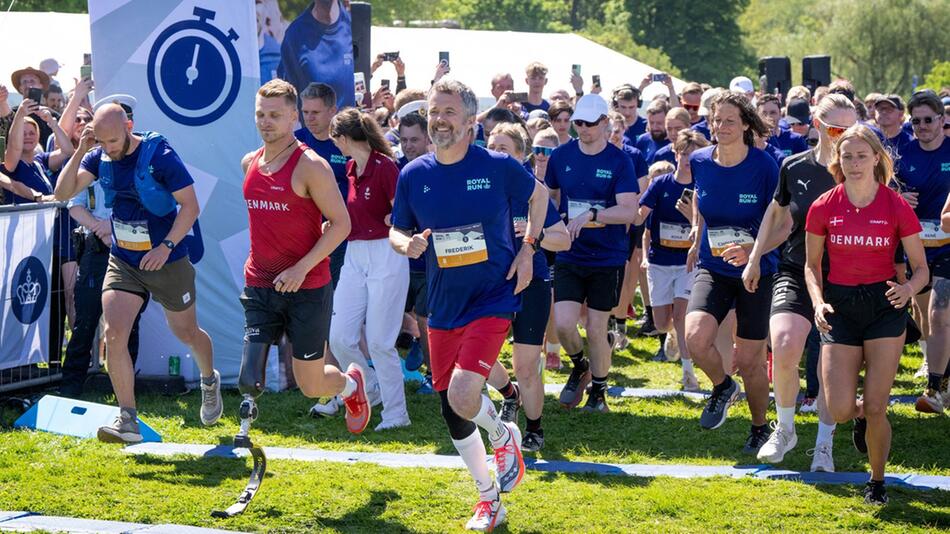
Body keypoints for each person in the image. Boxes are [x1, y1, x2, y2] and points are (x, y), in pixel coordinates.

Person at [390, 79, 548, 531]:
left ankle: (502, 437)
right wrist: (407, 245)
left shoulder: (497, 166)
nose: (438, 120)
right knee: (451, 409)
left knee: (464, 394)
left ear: (470, 122)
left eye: (448, 112)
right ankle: (489, 499)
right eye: (434, 111)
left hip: (493, 296)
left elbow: (539, 196)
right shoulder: (413, 174)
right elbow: (397, 229)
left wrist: (528, 248)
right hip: (442, 304)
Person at [53, 103, 222, 444]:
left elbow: (190, 206)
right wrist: (82, 151)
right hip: (124, 260)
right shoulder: (98, 155)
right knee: (114, 333)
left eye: (114, 141)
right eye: (102, 142)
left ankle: (209, 379)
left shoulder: (159, 154)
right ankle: (127, 419)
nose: (109, 149)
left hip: (166, 259)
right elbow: (62, 193)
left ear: (129, 126)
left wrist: (167, 248)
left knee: (187, 332)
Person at [804, 124, 928, 506]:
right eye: (847, 156)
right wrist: (817, 301)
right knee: (839, 409)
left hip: (883, 305)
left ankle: (876, 481)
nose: (854, 163)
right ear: (837, 160)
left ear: (877, 158)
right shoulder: (824, 205)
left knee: (878, 406)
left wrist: (908, 289)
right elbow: (811, 266)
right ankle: (858, 417)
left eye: (862, 155)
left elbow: (921, 268)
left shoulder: (895, 205)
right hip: (838, 306)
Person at [238, 79, 369, 439]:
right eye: (261, 115)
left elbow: (341, 225)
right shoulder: (249, 162)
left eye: (275, 116)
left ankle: (350, 386)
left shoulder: (311, 165)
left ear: (294, 117)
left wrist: (300, 268)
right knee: (249, 377)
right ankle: (244, 433)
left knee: (311, 384)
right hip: (261, 281)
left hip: (307, 285)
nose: (266, 122)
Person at [743, 94, 858, 471]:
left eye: (851, 128)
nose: (845, 137)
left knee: (830, 366)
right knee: (785, 344)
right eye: (837, 128)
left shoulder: (861, 168)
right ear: (818, 125)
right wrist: (755, 257)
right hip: (796, 269)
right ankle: (786, 428)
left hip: (846, 277)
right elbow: (775, 215)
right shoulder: (793, 166)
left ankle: (823, 444)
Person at [685, 91, 778, 454]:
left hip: (756, 271)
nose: (721, 127)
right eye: (716, 120)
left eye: (729, 120)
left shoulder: (765, 165)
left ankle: (759, 427)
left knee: (752, 360)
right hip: (714, 266)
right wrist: (697, 231)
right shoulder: (700, 160)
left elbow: (782, 221)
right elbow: (700, 196)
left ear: (745, 125)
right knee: (695, 337)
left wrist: (754, 252)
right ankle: (723, 386)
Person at [545, 94, 640, 413]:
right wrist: (551, 222)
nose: (582, 129)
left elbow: (629, 211)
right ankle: (579, 366)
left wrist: (594, 216)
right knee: (563, 324)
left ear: (604, 123)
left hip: (607, 257)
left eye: (588, 124)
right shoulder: (561, 156)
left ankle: (598, 392)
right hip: (571, 254)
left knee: (597, 329)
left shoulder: (619, 160)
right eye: (577, 124)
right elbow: (552, 194)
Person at [484, 122, 570, 452]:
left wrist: (533, 234)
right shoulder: (479, 190)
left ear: (521, 156)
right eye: (491, 147)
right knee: (477, 355)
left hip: (531, 283)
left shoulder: (534, 192)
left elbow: (563, 240)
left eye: (503, 149)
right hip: (491, 284)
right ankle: (509, 393)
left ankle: (534, 428)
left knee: (525, 365)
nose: (496, 155)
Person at [326, 107, 411, 430]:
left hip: (386, 253)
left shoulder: (386, 167)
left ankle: (396, 414)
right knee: (340, 337)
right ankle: (370, 386)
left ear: (344, 138)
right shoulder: (350, 167)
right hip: (355, 252)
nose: (336, 145)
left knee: (379, 340)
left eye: (336, 140)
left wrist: (397, 219)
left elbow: (402, 213)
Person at [60, 104, 145, 398]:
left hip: (130, 247)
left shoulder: (142, 157)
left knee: (128, 322)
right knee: (85, 319)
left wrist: (113, 226)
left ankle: (125, 388)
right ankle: (70, 386)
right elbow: (73, 203)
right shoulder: (92, 160)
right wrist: (100, 227)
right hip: (96, 248)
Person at [638, 130, 711, 391]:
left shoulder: (705, 186)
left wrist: (692, 217)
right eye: (684, 153)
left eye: (694, 155)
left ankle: (688, 374)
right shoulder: (662, 184)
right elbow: (640, 215)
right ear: (675, 153)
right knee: (662, 322)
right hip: (659, 260)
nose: (689, 159)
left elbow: (711, 223)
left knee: (681, 315)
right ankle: (670, 333)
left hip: (688, 260)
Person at [3, 98, 75, 361]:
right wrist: (20, 114)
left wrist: (51, 122)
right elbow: (12, 150)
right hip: (28, 243)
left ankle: (55, 357)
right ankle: (23, 359)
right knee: (29, 300)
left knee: (55, 300)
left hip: (52, 241)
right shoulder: (13, 165)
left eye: (32, 133)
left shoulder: (42, 161)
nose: (29, 136)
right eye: (23, 132)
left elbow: (66, 150)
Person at [894, 90, 950, 414]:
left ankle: (935, 388)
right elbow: (884, 188)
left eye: (928, 120)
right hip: (915, 246)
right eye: (916, 121)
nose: (922, 126)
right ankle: (942, 378)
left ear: (942, 120)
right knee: (928, 320)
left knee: (939, 314)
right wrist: (898, 194)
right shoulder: (902, 151)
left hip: (946, 243)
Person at [294, 83, 349, 286]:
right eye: (305, 111)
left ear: (332, 111)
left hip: (338, 237)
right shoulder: (293, 143)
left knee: (334, 298)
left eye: (315, 112)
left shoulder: (347, 144)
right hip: (302, 236)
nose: (309, 118)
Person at [278, 0, 355, 109]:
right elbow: (287, 103)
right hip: (311, 125)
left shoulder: (354, 25)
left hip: (352, 125)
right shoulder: (294, 35)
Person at [757, 94, 808, 158]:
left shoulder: (796, 140)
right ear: (757, 115)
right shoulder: (753, 141)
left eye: (773, 112)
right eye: (764, 113)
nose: (768, 117)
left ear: (780, 114)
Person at [636, 99, 671, 164]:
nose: (655, 127)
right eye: (651, 123)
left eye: (659, 123)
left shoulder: (675, 143)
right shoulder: (643, 141)